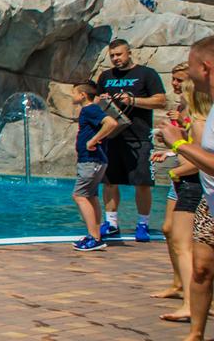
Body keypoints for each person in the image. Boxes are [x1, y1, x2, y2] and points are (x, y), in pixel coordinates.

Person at [156, 36, 214, 340]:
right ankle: (196, 333)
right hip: (209, 202)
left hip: (203, 195)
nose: (185, 76)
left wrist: (178, 143)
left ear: (205, 67)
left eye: (189, 67)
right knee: (202, 268)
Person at [97, 39, 168, 242]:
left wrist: (133, 100)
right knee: (109, 182)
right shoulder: (106, 76)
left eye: (119, 54)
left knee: (143, 183)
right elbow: (97, 101)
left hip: (139, 137)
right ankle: (111, 223)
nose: (116, 59)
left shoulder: (146, 74)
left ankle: (143, 224)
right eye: (112, 55)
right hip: (111, 136)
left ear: (129, 53)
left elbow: (161, 100)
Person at [154, 65, 205, 320]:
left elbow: (200, 158)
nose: (175, 86)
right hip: (187, 181)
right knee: (171, 233)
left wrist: (176, 166)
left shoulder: (199, 120)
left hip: (191, 182)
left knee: (187, 246)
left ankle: (191, 302)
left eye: (181, 82)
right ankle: (184, 290)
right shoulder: (193, 116)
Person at [70, 83, 120, 252]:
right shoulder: (91, 109)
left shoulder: (90, 109)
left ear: (83, 95)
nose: (72, 96)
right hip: (95, 160)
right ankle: (96, 235)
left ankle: (94, 238)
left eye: (74, 93)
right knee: (90, 196)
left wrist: (92, 141)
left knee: (79, 196)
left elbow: (111, 123)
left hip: (91, 160)